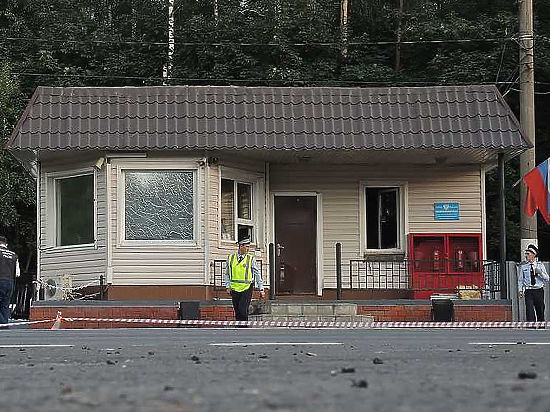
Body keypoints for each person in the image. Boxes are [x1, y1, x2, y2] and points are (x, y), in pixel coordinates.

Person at [225, 237, 265, 322]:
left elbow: (257, 274)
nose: (248, 249)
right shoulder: (230, 258)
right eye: (246, 247)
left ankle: (244, 327)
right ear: (241, 246)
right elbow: (227, 274)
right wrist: (227, 286)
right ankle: (239, 327)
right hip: (234, 288)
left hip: (247, 288)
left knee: (243, 310)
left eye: (248, 247)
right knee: (237, 311)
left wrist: (261, 288)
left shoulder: (250, 259)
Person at [518, 244, 549, 322]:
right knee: (529, 310)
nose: (526, 256)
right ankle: (531, 326)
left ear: (533, 255)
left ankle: (541, 325)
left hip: (538, 290)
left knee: (540, 309)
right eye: (526, 254)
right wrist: (520, 290)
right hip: (528, 291)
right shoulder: (524, 267)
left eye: (528, 254)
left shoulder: (540, 265)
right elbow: (520, 280)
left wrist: (540, 273)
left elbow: (547, 278)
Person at [0, 235, 20, 325]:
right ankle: (4, 325)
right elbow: (17, 273)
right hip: (10, 282)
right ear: (6, 244)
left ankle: (2, 323)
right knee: (5, 305)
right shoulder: (14, 255)